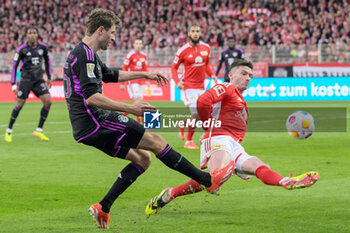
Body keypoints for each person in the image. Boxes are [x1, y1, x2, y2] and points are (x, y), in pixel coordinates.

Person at [63, 8, 235, 229]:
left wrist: (145, 74)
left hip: (86, 128)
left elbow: (109, 75)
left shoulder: (85, 54)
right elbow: (92, 98)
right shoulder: (84, 56)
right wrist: (131, 108)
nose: (114, 37)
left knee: (143, 159)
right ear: (100, 30)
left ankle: (103, 207)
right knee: (155, 141)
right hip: (95, 121)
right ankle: (207, 180)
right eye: (113, 32)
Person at [145, 59, 319, 215]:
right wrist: (207, 128)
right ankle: (175, 193)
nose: (248, 78)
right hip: (219, 138)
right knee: (214, 182)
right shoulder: (227, 87)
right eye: (243, 73)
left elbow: (210, 111)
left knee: (258, 165)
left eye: (250, 75)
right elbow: (203, 101)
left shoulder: (240, 101)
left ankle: (285, 181)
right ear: (231, 75)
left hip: (233, 144)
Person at [171, 25, 218, 149]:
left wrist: (212, 75)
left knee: (204, 114)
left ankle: (183, 124)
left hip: (201, 87)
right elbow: (174, 68)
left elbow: (206, 64)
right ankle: (189, 141)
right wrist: (177, 82)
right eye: (193, 31)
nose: (195, 33)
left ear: (200, 33)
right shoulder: (182, 50)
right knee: (197, 114)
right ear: (189, 34)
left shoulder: (206, 48)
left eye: (197, 31)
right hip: (188, 87)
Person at [4, 27, 52, 142]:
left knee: (48, 102)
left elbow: (47, 62)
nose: (31, 35)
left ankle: (39, 130)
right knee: (19, 104)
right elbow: (14, 66)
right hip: (25, 80)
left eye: (34, 33)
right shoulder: (22, 49)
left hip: (38, 80)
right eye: (29, 33)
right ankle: (9, 131)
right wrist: (13, 84)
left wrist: (49, 77)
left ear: (37, 35)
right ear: (26, 36)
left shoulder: (43, 48)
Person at [120, 38, 148, 123]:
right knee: (138, 101)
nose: (138, 45)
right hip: (132, 81)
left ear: (142, 45)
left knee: (137, 103)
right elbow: (124, 68)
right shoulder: (130, 55)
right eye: (137, 44)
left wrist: (148, 80)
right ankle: (139, 122)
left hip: (140, 82)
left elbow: (145, 68)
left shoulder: (144, 56)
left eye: (140, 44)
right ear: (134, 45)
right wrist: (122, 83)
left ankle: (122, 116)